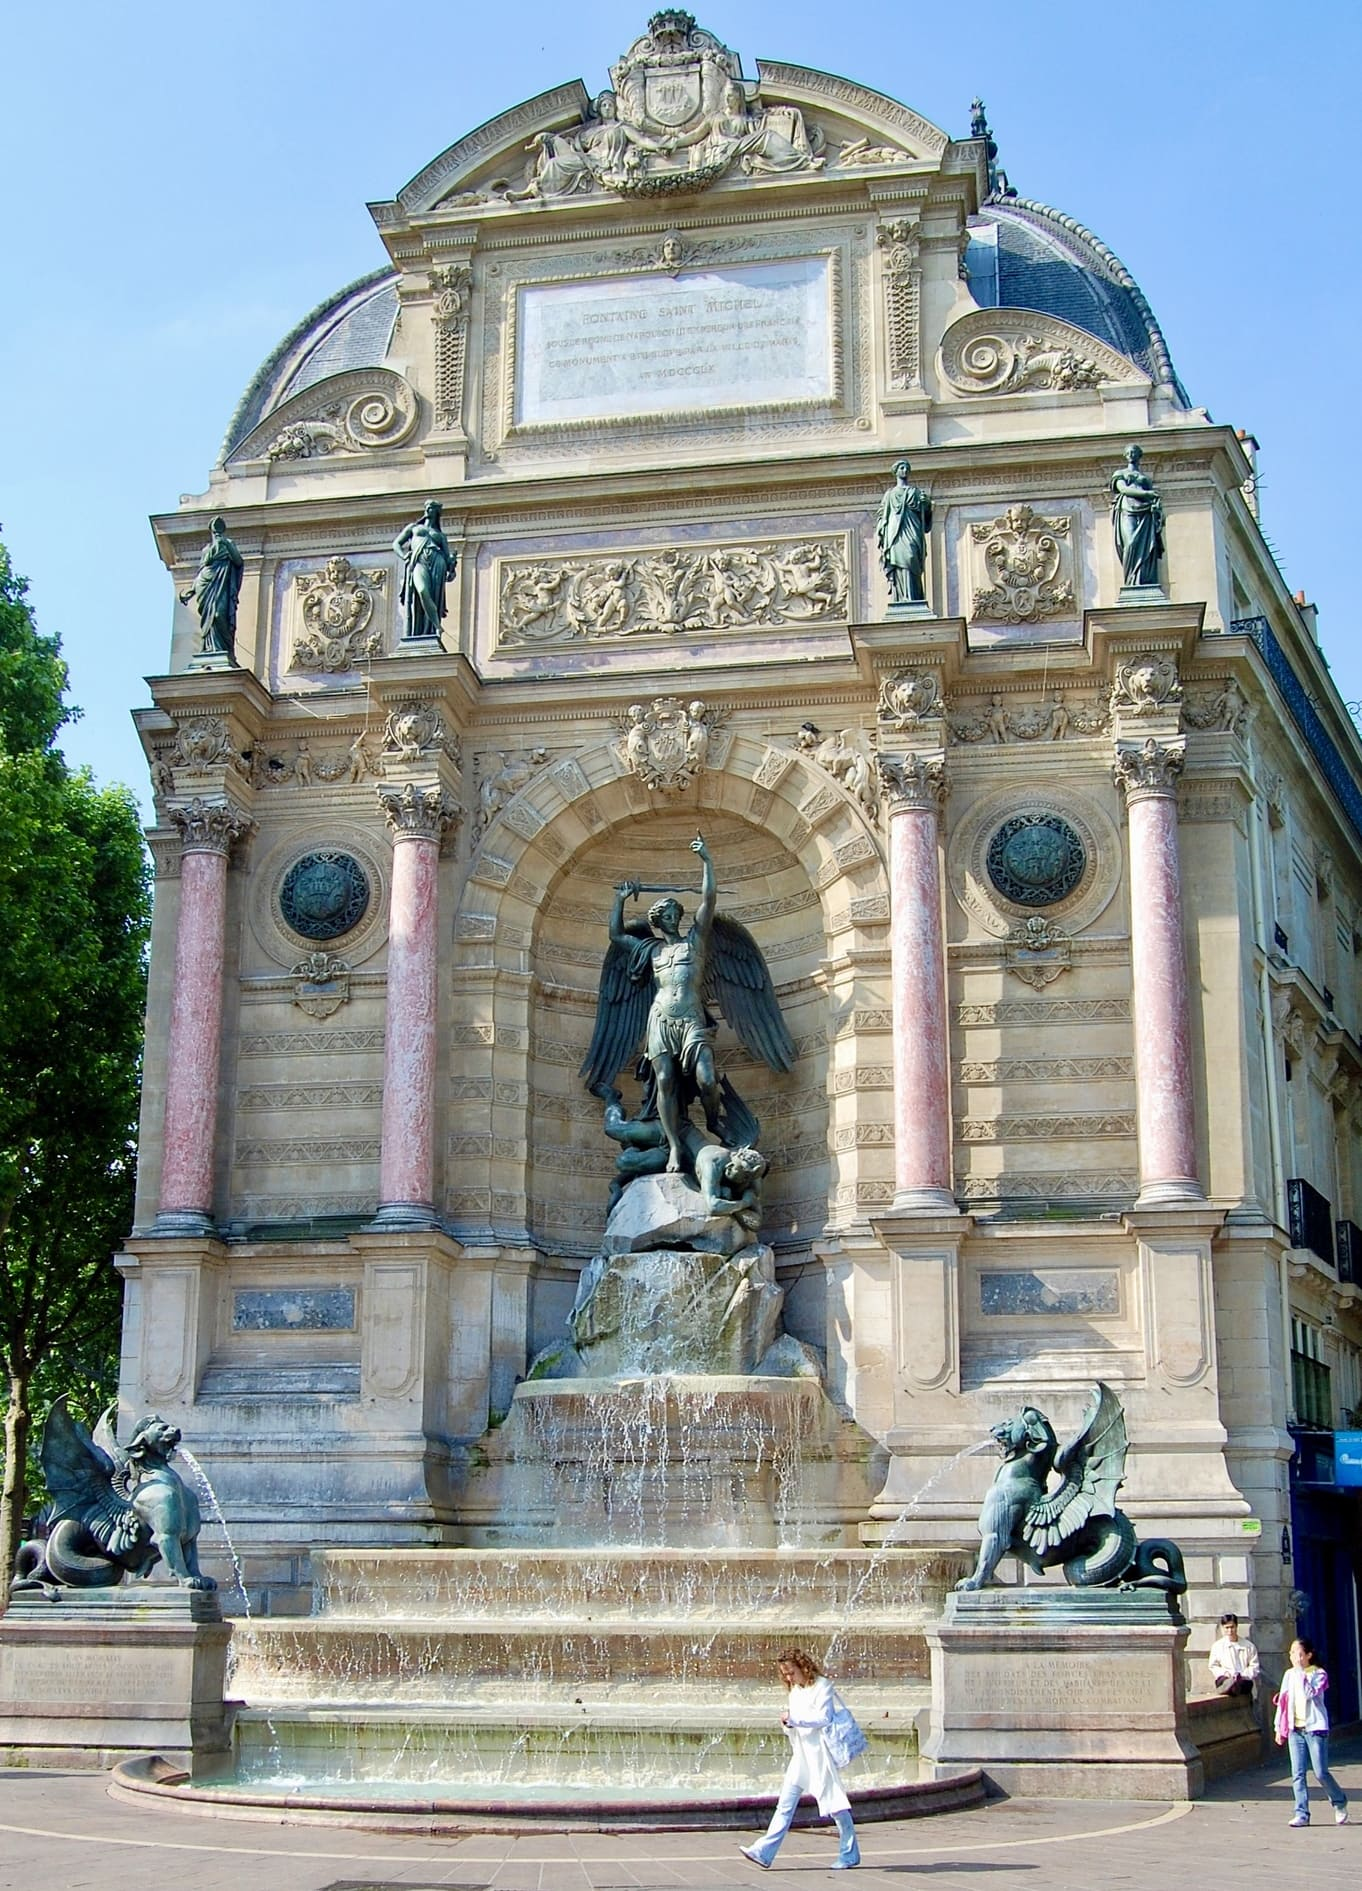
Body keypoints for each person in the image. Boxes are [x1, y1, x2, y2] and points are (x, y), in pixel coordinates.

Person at [611, 835, 721, 1174]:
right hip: (660, 1018)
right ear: (659, 921)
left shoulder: (695, 943)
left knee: (706, 1078)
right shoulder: (652, 951)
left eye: (676, 913)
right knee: (666, 1083)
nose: (673, 918)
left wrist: (706, 861)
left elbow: (709, 899)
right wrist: (620, 900)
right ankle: (674, 1148)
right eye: (667, 914)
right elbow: (616, 936)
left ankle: (715, 1122)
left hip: (689, 1018)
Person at [740, 1647, 859, 1871]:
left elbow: (824, 1718)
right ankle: (764, 1851)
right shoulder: (795, 1690)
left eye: (791, 1672)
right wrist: (787, 1724)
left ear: (803, 1667)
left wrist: (794, 1719)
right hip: (801, 1754)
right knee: (785, 1803)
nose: (788, 1677)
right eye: (784, 1674)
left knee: (835, 1805)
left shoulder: (823, 1686)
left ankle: (849, 1853)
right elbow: (795, 1725)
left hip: (820, 1754)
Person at [1273, 1636, 1348, 1827]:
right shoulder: (1289, 1675)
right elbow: (1283, 1702)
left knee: (1320, 1772)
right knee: (1297, 1773)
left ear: (1307, 1655)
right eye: (1291, 1653)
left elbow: (1310, 1694)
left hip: (1315, 1729)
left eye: (1296, 1653)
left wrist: (1301, 1672)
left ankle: (1339, 1801)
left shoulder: (1318, 1674)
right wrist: (1278, 1728)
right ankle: (1302, 1813)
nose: (1292, 1657)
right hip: (1295, 1729)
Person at [180, 515, 243, 659]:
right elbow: (202, 569)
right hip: (206, 583)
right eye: (214, 531)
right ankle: (209, 648)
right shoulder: (206, 549)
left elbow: (238, 562)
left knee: (219, 614)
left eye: (218, 530)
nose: (217, 533)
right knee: (209, 616)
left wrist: (226, 545)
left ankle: (223, 648)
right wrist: (191, 590)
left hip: (221, 582)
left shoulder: (229, 543)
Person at [393, 500, 455, 642]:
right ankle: (437, 625)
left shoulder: (440, 535)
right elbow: (396, 543)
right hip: (418, 562)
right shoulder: (414, 528)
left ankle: (433, 627)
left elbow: (447, 558)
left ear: (436, 512)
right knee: (422, 590)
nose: (428, 509)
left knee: (433, 595)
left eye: (431, 507)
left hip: (437, 563)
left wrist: (451, 563)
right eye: (427, 507)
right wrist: (404, 556)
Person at [875, 460, 932, 606]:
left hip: (912, 529)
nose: (904, 470)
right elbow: (882, 514)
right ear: (895, 472)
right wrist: (883, 531)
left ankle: (913, 596)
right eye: (901, 468)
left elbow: (925, 517)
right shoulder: (889, 494)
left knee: (911, 557)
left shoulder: (916, 492)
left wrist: (926, 505)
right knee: (899, 563)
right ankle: (901, 598)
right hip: (895, 533)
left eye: (906, 468)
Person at [1110, 443, 1165, 588]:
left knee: (1146, 545)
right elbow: (1123, 489)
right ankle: (1131, 580)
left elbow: (1153, 498)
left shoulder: (1145, 478)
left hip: (1145, 511)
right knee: (1130, 543)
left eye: (1134, 452)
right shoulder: (1119, 473)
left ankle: (1142, 580)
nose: (1131, 454)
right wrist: (1146, 494)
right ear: (1125, 455)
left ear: (1139, 455)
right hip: (1127, 508)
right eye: (1128, 452)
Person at [1208, 1613, 1259, 1697]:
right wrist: (1225, 1673)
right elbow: (1213, 1665)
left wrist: (1243, 1675)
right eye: (1227, 1628)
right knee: (1223, 1681)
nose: (1230, 1631)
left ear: (1236, 1626)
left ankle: (1235, 1686)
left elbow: (1254, 1666)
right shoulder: (1218, 1646)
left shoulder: (1248, 1646)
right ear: (1222, 1628)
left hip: (1243, 1678)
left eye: (1232, 1627)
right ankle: (1230, 1685)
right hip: (1226, 1677)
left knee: (1246, 1684)